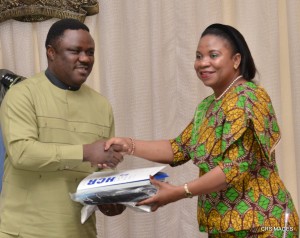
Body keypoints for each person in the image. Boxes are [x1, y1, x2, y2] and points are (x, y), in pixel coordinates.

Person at [105, 23, 299, 237]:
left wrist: (179, 192)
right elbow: (179, 148)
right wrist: (128, 145)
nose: (203, 63)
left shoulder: (247, 97)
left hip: (263, 224)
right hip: (224, 225)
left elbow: (233, 167)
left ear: (236, 60)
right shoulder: (208, 106)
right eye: (198, 56)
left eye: (213, 55)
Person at [0, 19, 125, 238]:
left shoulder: (101, 105)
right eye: (75, 51)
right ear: (51, 52)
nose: (85, 59)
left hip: (80, 231)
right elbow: (22, 153)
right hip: (25, 231)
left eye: (90, 52)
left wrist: (110, 197)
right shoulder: (21, 95)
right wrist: (86, 152)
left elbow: (104, 165)